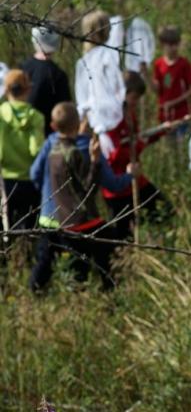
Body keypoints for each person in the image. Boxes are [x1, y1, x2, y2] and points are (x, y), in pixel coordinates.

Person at [29, 101, 136, 292]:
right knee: (105, 253)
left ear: (54, 125)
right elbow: (102, 187)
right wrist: (129, 174)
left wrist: (52, 197)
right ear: (79, 123)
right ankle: (108, 292)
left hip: (49, 216)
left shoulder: (52, 144)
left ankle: (36, 292)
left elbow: (35, 174)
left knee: (45, 262)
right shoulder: (85, 149)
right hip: (78, 221)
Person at [100, 72, 175, 242]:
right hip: (118, 187)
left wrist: (161, 131)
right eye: (134, 97)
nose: (136, 102)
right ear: (123, 94)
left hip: (136, 181)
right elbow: (111, 157)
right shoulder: (109, 120)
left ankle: (159, 245)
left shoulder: (129, 114)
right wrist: (137, 145)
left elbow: (137, 140)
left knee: (164, 211)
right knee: (123, 237)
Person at [0, 69, 44, 239]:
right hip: (29, 180)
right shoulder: (36, 117)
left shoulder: (1, 114)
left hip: (5, 180)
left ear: (7, 90)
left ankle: (7, 261)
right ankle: (26, 260)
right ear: (27, 90)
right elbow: (36, 150)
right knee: (29, 229)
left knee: (6, 227)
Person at [22, 27, 71, 138]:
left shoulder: (22, 68)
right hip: (48, 136)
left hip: (21, 135)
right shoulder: (59, 75)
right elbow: (65, 110)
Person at [152, 26, 191, 128]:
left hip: (181, 115)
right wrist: (146, 76)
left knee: (181, 142)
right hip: (164, 115)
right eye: (171, 45)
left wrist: (173, 103)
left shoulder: (183, 64)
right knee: (168, 143)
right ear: (163, 45)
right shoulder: (158, 64)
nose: (174, 48)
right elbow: (157, 89)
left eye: (176, 44)